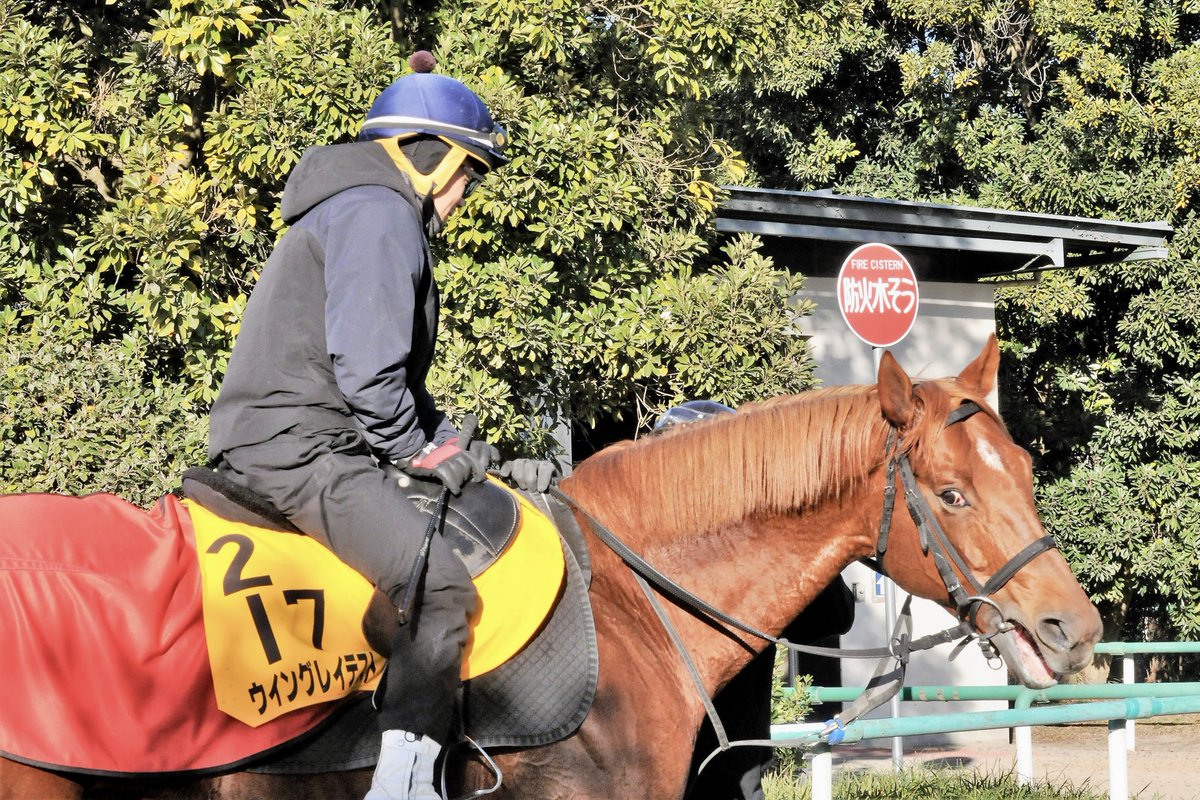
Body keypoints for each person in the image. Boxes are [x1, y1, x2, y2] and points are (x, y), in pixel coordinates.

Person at [207, 52, 549, 800]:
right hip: (301, 452)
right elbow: (368, 375)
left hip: (298, 439)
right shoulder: (381, 213)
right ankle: (404, 787)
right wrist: (419, 452)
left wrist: (469, 451)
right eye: (470, 174)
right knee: (442, 591)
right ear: (435, 160)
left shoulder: (357, 206)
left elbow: (393, 386)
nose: (466, 195)